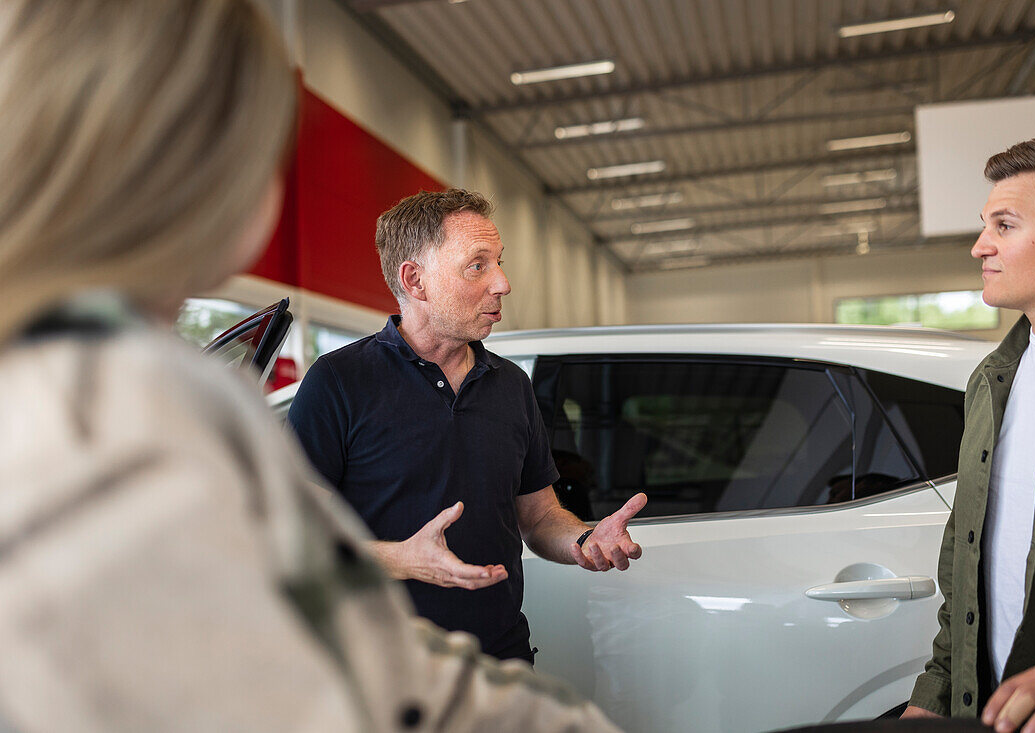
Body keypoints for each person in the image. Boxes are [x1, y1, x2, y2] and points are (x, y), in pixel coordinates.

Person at [0, 1, 622, 730]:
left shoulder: (76, 387)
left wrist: (580, 538)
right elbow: (334, 656)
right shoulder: (142, 408)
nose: (501, 284)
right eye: (264, 150)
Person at [288, 189, 647, 662]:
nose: (502, 283)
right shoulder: (339, 381)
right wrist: (401, 560)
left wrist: (584, 539)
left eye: (499, 262)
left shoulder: (512, 385)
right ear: (415, 280)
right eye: (478, 265)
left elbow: (538, 517)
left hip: (501, 663)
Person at [903, 133, 1035, 733]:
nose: (979, 246)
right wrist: (933, 698)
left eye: (1005, 225)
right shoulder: (991, 383)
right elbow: (967, 575)